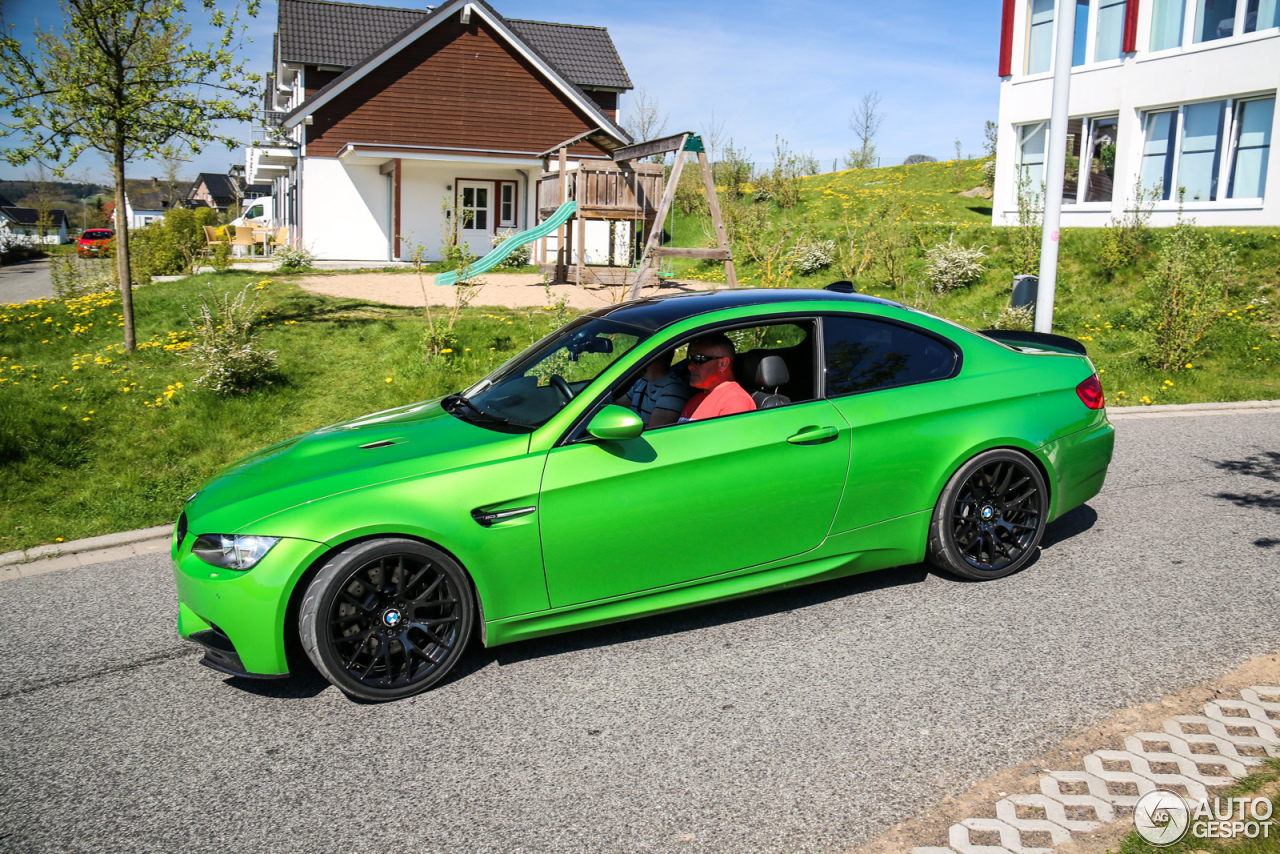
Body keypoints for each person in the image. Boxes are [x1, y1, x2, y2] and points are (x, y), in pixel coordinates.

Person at [679, 333, 756, 422]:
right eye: (690, 359)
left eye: (699, 359)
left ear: (723, 364)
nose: (690, 366)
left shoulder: (735, 401)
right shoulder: (696, 399)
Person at [616, 348, 692, 427]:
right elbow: (618, 405)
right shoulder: (642, 382)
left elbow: (653, 433)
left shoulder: (673, 392)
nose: (637, 361)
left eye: (642, 357)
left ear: (653, 359)